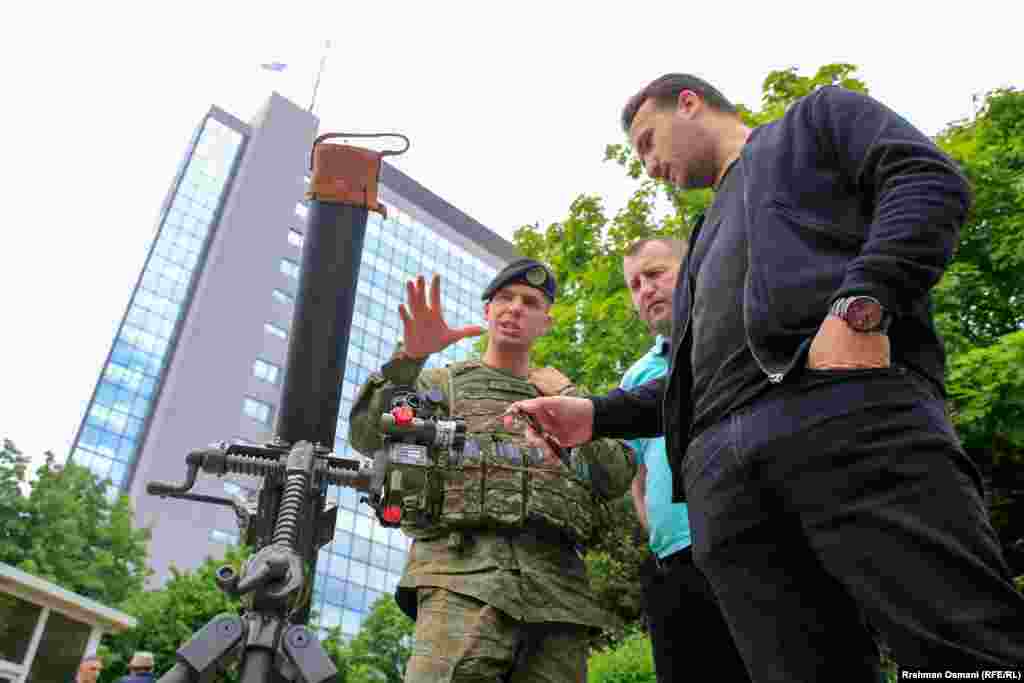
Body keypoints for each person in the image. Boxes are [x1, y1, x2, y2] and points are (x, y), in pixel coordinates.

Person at [508, 74, 1024, 679]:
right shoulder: (699, 242)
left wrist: (863, 304)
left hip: (845, 420)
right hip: (726, 493)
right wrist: (596, 414)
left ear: (691, 104)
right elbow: (691, 380)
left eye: (649, 141)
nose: (649, 165)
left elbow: (926, 179)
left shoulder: (815, 122)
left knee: (961, 651)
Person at [348, 260, 635, 683]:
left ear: (547, 322)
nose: (515, 308)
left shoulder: (564, 399)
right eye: (504, 297)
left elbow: (614, 476)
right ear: (487, 310)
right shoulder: (439, 385)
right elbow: (366, 434)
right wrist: (409, 357)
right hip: (461, 581)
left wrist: (570, 396)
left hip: (559, 601)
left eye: (530, 302)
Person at [621, 237, 750, 681]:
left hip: (751, 544)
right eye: (635, 285)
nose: (645, 290)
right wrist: (660, 536)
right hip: (674, 564)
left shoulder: (743, 329)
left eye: (655, 274)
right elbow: (637, 476)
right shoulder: (637, 376)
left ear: (692, 268)